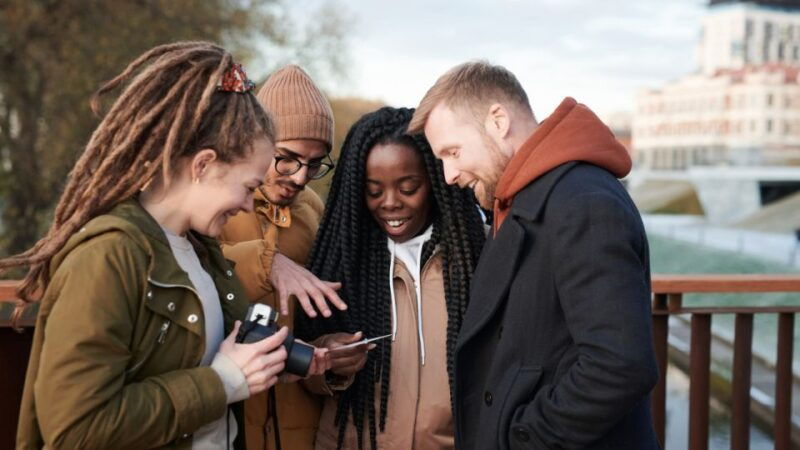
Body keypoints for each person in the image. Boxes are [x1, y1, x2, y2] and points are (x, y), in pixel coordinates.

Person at [2, 42, 326, 449]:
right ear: (203, 164)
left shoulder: (202, 252)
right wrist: (222, 382)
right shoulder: (107, 258)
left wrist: (276, 360)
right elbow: (75, 430)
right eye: (246, 186)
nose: (248, 203)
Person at [408, 62, 659, 449]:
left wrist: (523, 437)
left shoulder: (583, 202)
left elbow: (619, 365)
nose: (449, 174)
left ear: (497, 120)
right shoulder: (525, 198)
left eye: (453, 152)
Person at [295, 107, 486, 450]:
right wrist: (327, 357)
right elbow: (300, 374)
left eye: (408, 187)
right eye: (373, 190)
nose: (390, 203)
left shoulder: (478, 258)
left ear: (437, 181)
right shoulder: (339, 261)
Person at [218, 64, 344, 450]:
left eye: (315, 163)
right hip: (228, 422)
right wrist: (265, 261)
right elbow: (192, 269)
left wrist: (333, 357)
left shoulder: (315, 212)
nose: (301, 177)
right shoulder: (217, 200)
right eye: (287, 158)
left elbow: (316, 320)